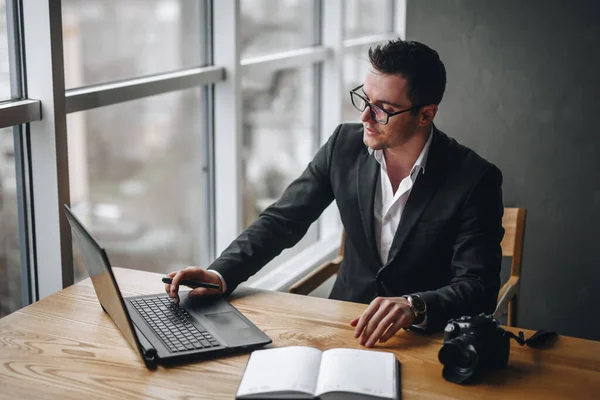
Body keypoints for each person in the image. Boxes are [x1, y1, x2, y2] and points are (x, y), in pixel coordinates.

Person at [165, 39, 504, 348]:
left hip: (427, 340)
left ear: (425, 114)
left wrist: (414, 305)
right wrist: (220, 274)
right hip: (343, 326)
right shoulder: (344, 145)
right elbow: (283, 220)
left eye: (383, 108)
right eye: (365, 99)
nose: (366, 117)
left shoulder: (475, 179)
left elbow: (478, 286)